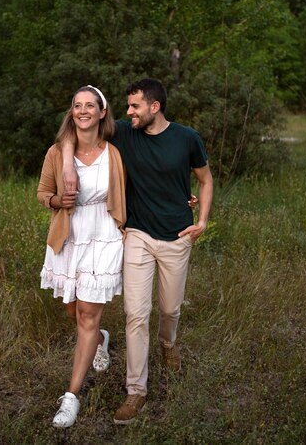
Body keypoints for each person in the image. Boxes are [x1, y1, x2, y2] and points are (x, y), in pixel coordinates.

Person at [62, 78, 213, 425]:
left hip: (177, 236)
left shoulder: (187, 138)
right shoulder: (125, 134)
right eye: (127, 106)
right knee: (135, 314)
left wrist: (201, 220)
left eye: (135, 106)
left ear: (154, 108)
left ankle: (168, 343)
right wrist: (68, 163)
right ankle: (136, 391)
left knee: (170, 308)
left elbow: (205, 180)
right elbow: (78, 127)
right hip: (137, 235)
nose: (128, 112)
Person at [37, 85, 126, 429]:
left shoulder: (116, 153)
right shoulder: (57, 152)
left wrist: (182, 199)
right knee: (74, 309)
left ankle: (71, 396)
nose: (83, 110)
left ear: (103, 112)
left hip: (104, 234)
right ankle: (100, 338)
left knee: (87, 314)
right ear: (72, 111)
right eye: (77, 105)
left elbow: (148, 177)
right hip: (69, 235)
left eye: (90, 105)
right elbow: (43, 193)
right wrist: (59, 202)